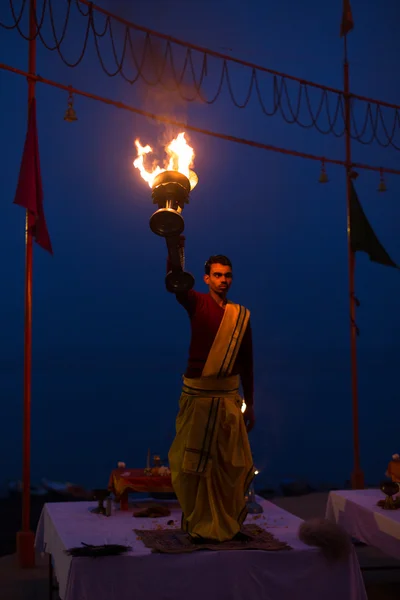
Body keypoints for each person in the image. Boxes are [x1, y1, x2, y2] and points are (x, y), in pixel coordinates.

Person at [167, 236, 255, 543]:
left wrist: (251, 404)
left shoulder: (240, 315)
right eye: (217, 275)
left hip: (229, 400)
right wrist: (172, 244)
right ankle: (200, 525)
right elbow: (175, 281)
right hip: (198, 397)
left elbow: (247, 362)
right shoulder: (197, 302)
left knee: (232, 464)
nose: (223, 280)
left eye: (227, 275)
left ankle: (229, 524)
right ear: (206, 279)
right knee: (192, 464)